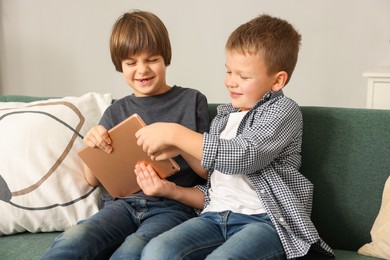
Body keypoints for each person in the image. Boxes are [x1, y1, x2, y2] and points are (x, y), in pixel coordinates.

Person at [135, 14, 334, 259]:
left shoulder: (283, 111)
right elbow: (215, 185)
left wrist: (176, 133)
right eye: (229, 71)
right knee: (156, 250)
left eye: (243, 76)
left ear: (277, 80)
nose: (231, 82)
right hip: (213, 218)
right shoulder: (223, 119)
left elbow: (244, 155)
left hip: (265, 222)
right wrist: (174, 178)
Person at [41, 10, 209, 260]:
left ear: (166, 58)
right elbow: (91, 179)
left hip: (173, 206)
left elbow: (208, 172)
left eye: (151, 59)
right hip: (121, 205)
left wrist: (179, 143)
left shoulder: (192, 100)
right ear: (120, 65)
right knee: (74, 238)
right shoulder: (116, 111)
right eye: (131, 63)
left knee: (134, 248)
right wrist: (94, 142)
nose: (142, 70)